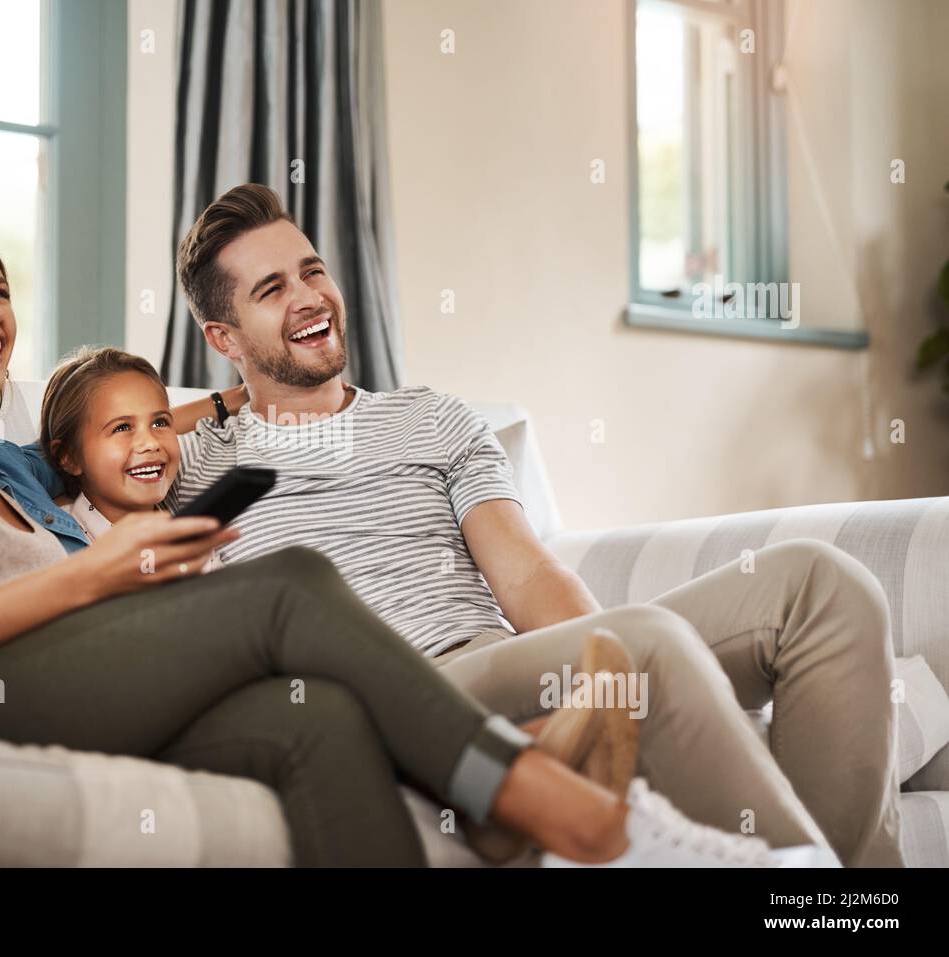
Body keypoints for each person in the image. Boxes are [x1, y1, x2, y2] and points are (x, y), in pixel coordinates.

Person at [0, 223, 828, 867]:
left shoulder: (16, 469)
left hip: (88, 682)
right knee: (286, 584)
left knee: (316, 715)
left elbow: (111, 426)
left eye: (1, 290)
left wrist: (235, 399)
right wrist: (98, 574)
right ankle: (548, 802)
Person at [148, 183, 901, 867]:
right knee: (646, 649)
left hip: (500, 661)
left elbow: (527, 570)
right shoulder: (189, 465)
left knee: (822, 587)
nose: (310, 296)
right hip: (404, 694)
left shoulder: (431, 417)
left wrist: (606, 675)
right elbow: (58, 453)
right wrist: (222, 404)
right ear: (224, 338)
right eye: (272, 290)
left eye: (313, 271)